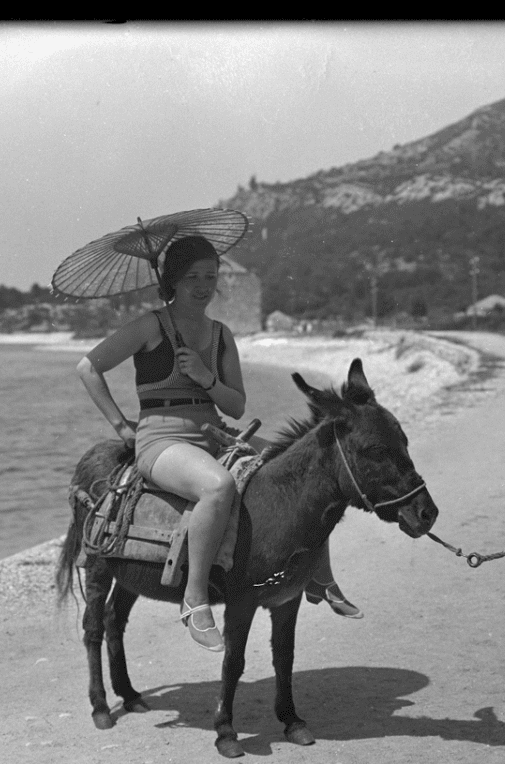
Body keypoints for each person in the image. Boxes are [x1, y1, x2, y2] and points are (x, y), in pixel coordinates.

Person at [77, 235, 362, 653]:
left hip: (213, 432)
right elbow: (88, 368)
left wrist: (204, 377)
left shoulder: (220, 334)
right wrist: (121, 426)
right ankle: (195, 599)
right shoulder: (150, 326)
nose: (202, 286)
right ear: (173, 280)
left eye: (210, 277)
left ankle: (320, 577)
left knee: (304, 467)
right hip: (161, 440)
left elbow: (235, 404)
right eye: (192, 277)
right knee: (217, 486)